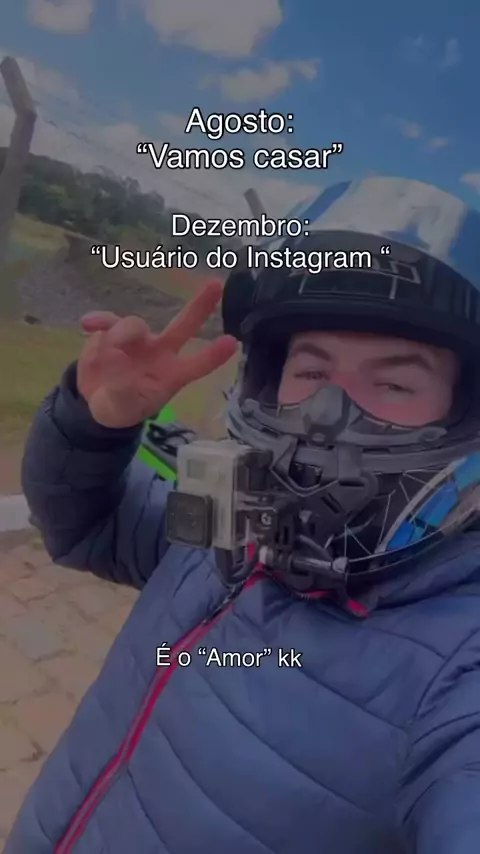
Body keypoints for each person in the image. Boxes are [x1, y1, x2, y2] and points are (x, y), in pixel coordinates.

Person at [5, 176, 480, 854]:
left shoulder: (458, 664)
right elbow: (86, 526)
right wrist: (92, 428)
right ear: (266, 380)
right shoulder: (224, 528)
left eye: (395, 382)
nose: (325, 414)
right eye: (310, 372)